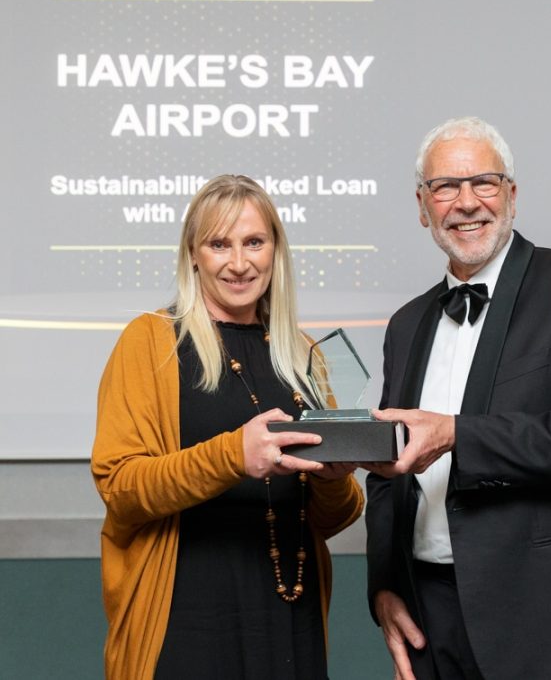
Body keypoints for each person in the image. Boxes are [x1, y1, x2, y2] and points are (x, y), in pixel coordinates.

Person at [365, 117, 551, 680]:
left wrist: (456, 433)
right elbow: (388, 473)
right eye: (445, 187)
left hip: (546, 616)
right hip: (429, 613)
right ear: (423, 207)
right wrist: (384, 586)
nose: (466, 202)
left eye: (485, 183)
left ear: (512, 196)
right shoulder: (407, 323)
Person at [91, 174, 364, 680]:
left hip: (287, 616)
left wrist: (333, 480)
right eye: (219, 244)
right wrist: (232, 456)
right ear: (193, 254)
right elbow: (120, 488)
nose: (239, 263)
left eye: (254, 242)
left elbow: (330, 520)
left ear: (275, 251)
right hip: (185, 625)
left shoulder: (304, 356)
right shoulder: (151, 342)